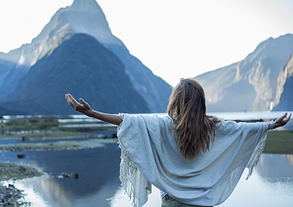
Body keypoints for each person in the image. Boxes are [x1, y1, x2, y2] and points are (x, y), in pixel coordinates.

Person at [65, 78, 291, 207]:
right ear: (201, 103)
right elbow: (243, 129)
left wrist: (93, 113)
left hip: (173, 204)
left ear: (176, 102)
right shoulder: (214, 128)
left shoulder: (164, 126)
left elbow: (128, 121)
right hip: (204, 203)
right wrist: (271, 125)